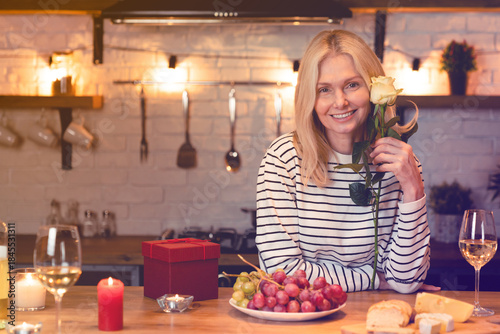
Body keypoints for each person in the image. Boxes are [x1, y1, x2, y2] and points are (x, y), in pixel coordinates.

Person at [256, 29, 435, 293]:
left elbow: (406, 281)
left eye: (352, 84)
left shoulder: (401, 164)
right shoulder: (283, 159)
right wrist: (376, 279)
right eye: (324, 89)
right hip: (303, 320)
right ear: (310, 98)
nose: (340, 102)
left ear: (373, 88)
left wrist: (413, 189)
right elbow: (283, 272)